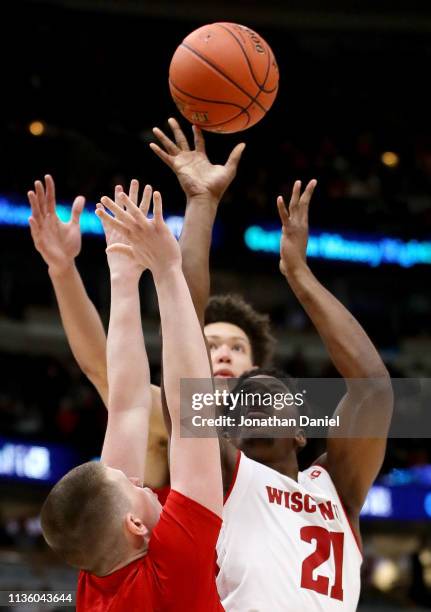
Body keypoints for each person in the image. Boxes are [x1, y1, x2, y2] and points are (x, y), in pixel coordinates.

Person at [152, 122, 393, 610]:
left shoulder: (337, 487)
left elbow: (374, 390)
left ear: (301, 431)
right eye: (245, 400)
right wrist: (201, 204)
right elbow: (181, 330)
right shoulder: (222, 473)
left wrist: (299, 275)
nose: (256, 401)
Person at [41, 186, 224, 611]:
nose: (138, 477)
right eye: (132, 484)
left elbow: (127, 407)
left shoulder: (101, 568)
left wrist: (123, 275)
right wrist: (165, 269)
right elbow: (190, 413)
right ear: (135, 525)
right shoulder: (172, 572)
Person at [27, 176, 169, 494]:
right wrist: (62, 268)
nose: (223, 352)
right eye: (212, 345)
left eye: (236, 345)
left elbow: (303, 409)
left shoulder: (268, 417)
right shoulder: (180, 417)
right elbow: (104, 371)